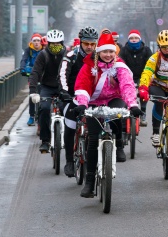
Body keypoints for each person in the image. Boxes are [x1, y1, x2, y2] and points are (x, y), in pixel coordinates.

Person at [73, 33, 142, 198]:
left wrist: (132, 105)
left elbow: (127, 85)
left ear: (115, 52)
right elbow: (82, 85)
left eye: (111, 52)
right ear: (99, 52)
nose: (108, 55)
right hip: (94, 103)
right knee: (93, 139)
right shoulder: (89, 65)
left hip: (113, 99)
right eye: (105, 52)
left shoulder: (120, 66)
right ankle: (89, 181)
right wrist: (82, 103)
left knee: (119, 114)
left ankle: (118, 146)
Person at [138, 29, 168, 169]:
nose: (167, 50)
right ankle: (155, 133)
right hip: (159, 87)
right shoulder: (154, 58)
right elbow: (147, 73)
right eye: (164, 47)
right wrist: (143, 88)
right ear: (159, 47)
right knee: (159, 101)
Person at [58, 26, 99, 177]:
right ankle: (69, 160)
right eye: (86, 43)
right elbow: (63, 75)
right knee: (70, 124)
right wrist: (63, 92)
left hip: (92, 98)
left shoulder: (99, 57)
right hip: (71, 96)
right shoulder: (71, 55)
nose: (89, 47)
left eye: (92, 44)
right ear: (80, 42)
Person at [29, 29, 67, 153]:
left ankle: (68, 138)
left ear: (62, 43)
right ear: (48, 43)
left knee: (67, 109)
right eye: (52, 44)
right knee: (44, 108)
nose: (55, 46)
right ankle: (45, 141)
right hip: (47, 87)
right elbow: (35, 72)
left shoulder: (68, 54)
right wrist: (33, 91)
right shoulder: (43, 54)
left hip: (63, 87)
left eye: (58, 43)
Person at [119, 29, 152, 126]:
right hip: (127, 76)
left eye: (136, 38)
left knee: (143, 92)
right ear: (129, 40)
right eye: (132, 38)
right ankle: (125, 113)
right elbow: (120, 63)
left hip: (142, 76)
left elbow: (150, 64)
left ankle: (143, 112)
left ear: (140, 39)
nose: (134, 40)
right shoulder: (124, 50)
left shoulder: (146, 50)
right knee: (125, 92)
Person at [20, 33, 43, 126]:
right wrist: (22, 69)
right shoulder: (28, 50)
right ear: (31, 42)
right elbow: (24, 60)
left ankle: (43, 115)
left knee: (43, 95)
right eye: (35, 41)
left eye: (38, 41)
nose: (36, 43)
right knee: (32, 95)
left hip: (42, 74)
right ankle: (31, 116)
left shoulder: (44, 50)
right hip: (32, 73)